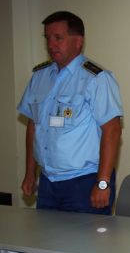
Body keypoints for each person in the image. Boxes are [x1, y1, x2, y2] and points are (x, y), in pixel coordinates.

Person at [17, 11, 123, 214]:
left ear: (78, 41)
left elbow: (113, 130)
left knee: (86, 236)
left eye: (58, 38)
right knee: (45, 235)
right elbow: (33, 126)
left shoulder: (96, 79)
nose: (51, 45)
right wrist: (30, 173)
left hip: (84, 182)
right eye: (48, 38)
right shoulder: (39, 77)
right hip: (47, 181)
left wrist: (103, 183)